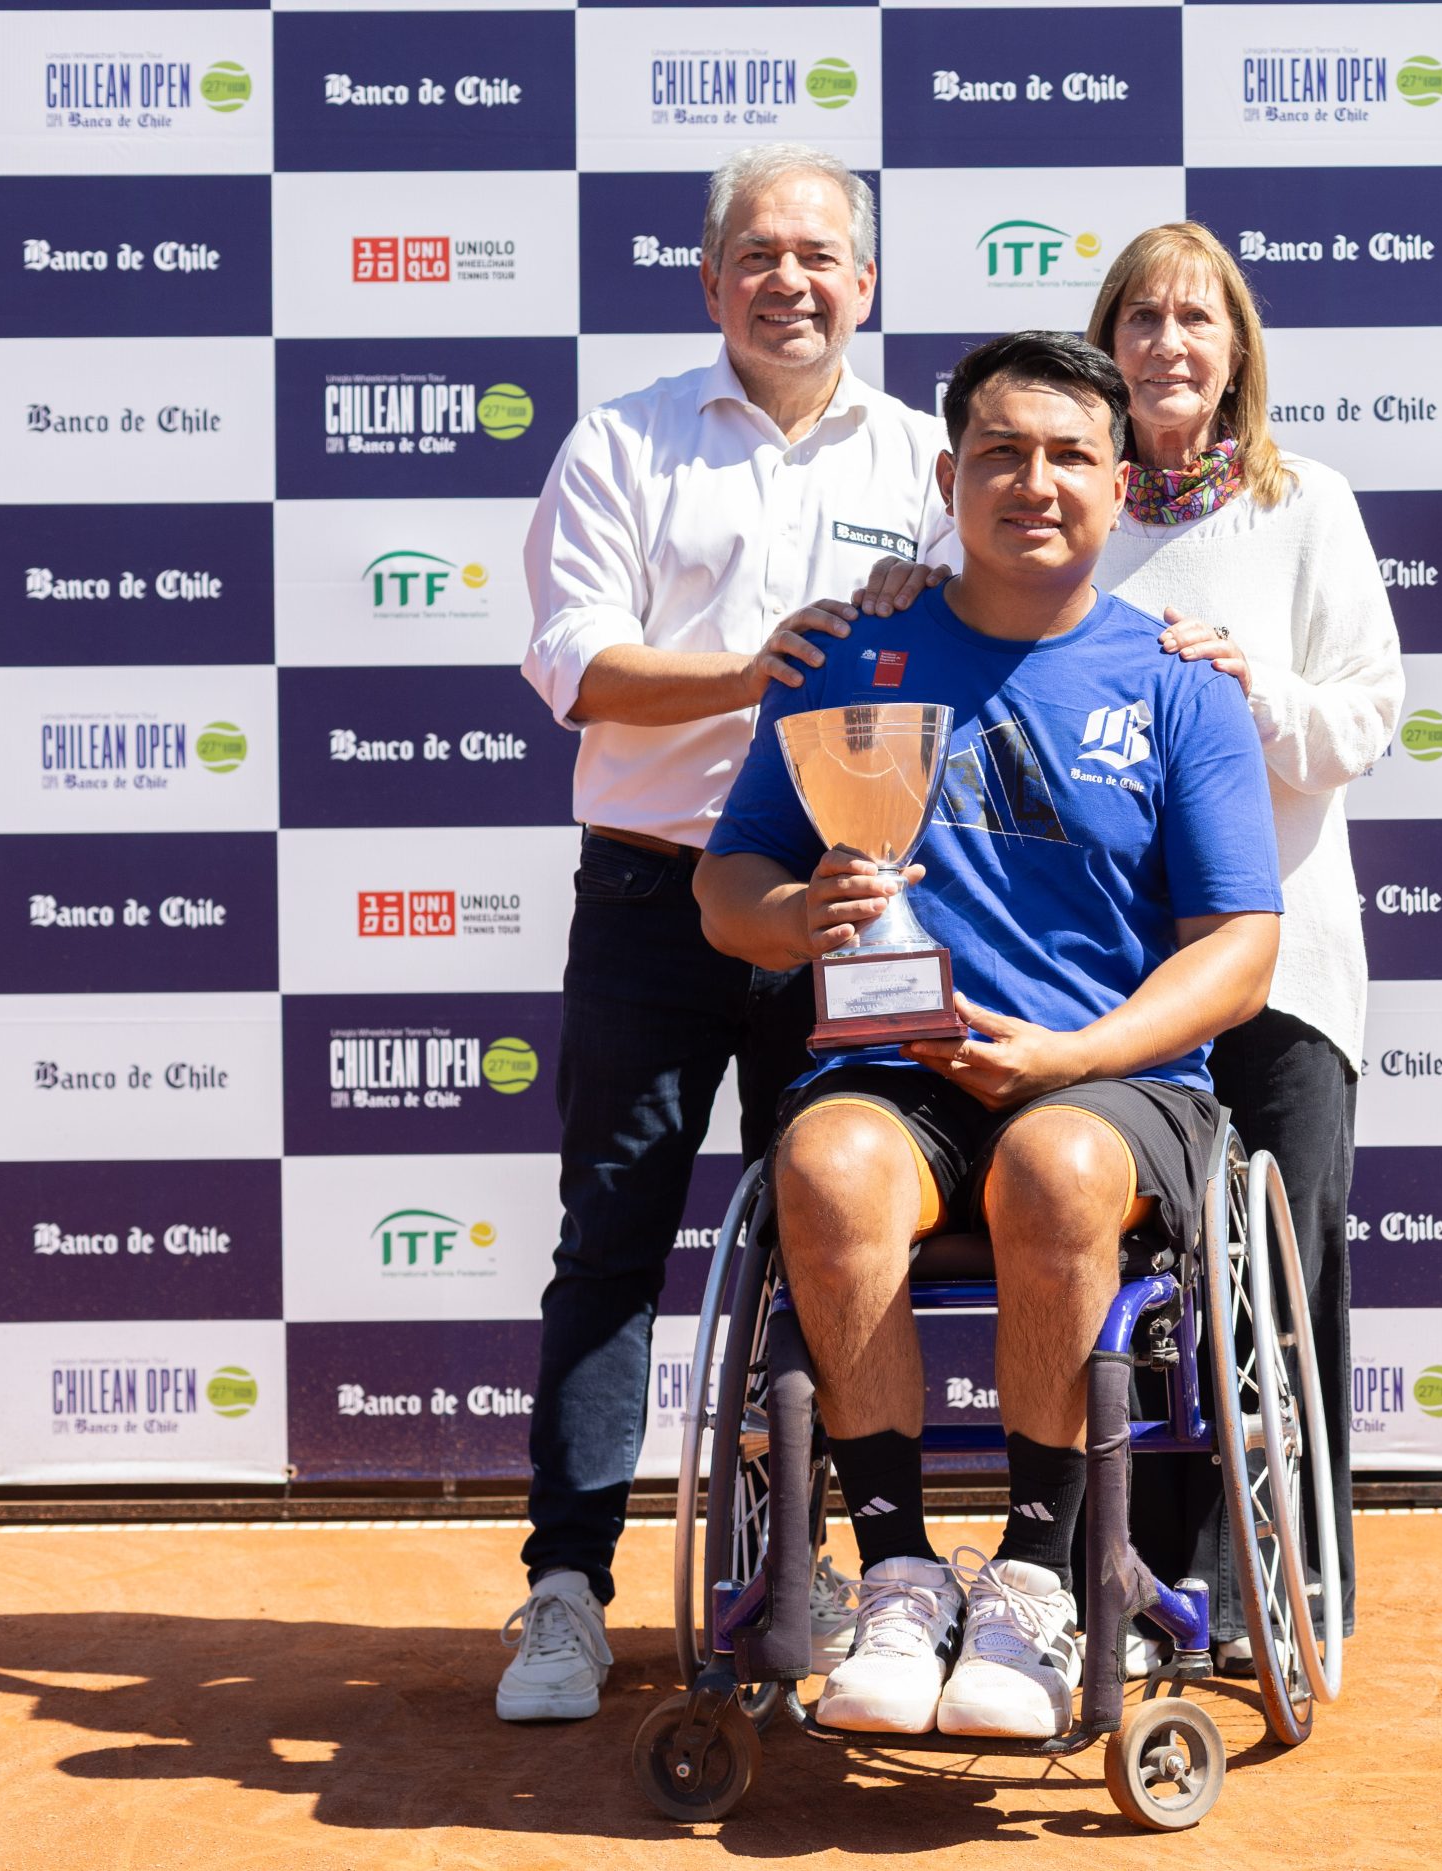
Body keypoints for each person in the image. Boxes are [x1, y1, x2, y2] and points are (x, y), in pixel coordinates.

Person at [695, 331, 1283, 1739]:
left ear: (1120, 482)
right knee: (825, 1167)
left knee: (1059, 1170)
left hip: (1116, 1082)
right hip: (893, 1072)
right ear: (950, 476)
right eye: (1002, 455)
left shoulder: (1181, 681)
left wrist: (1073, 1059)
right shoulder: (858, 655)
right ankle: (897, 1571)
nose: (1036, 483)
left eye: (1071, 455)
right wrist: (801, 913)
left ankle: (1032, 1578)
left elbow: (1242, 949)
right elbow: (725, 889)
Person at [863, 223, 1401, 1652]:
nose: (1172, 342)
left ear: (1239, 352)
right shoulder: (1056, 492)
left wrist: (1250, 689)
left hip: (1264, 961)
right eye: (1144, 318)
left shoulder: (1307, 506)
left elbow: (1367, 719)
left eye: (1200, 318)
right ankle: (1136, 1582)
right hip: (1089, 967)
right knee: (1144, 1295)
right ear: (1109, 347)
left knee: (1276, 1288)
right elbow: (935, 625)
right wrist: (887, 593)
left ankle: (1281, 1588)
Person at [498, 143, 956, 1724]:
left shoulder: (925, 461)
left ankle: (806, 1568)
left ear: (867, 284)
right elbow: (575, 666)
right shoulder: (625, 444)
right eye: (758, 255)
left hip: (838, 905)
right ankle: (563, 1591)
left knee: (833, 1249)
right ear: (711, 283)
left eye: (820, 255)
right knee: (612, 1249)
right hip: (651, 894)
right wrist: (750, 670)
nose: (791, 280)